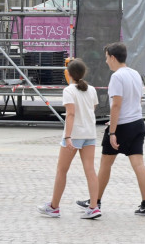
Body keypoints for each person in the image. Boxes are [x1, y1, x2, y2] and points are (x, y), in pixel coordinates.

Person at [77, 42, 145, 216]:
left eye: (106, 58)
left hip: (122, 126)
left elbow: (117, 105)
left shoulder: (117, 77)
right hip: (137, 122)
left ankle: (95, 202)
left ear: (112, 57)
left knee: (105, 165)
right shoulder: (135, 73)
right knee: (139, 164)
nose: (106, 62)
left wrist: (112, 131)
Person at [37, 58, 101, 219]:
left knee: (61, 171)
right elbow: (92, 109)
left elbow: (71, 114)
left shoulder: (69, 91)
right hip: (90, 134)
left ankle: (54, 206)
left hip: (74, 134)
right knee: (90, 170)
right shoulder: (91, 89)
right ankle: (94, 207)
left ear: (68, 74)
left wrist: (68, 136)